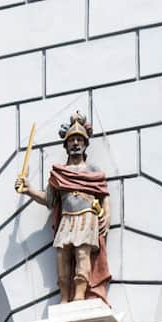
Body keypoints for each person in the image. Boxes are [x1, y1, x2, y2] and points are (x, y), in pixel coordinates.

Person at [16, 111, 111, 303]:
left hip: (86, 217)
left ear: (85, 144)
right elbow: (49, 200)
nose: (75, 143)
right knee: (62, 256)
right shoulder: (59, 173)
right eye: (71, 140)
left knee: (82, 254)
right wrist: (29, 190)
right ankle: (65, 295)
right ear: (66, 145)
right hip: (67, 218)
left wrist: (107, 214)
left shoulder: (92, 170)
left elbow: (103, 194)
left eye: (79, 140)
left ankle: (79, 295)